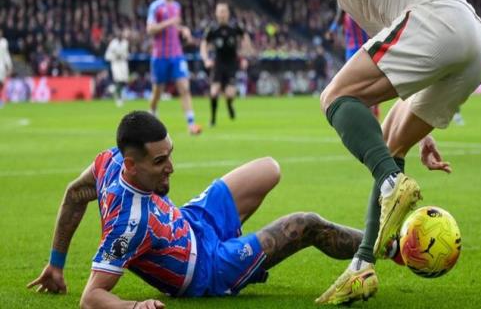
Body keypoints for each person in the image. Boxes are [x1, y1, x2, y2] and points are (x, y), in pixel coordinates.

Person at [273, 0, 481, 304]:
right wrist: (421, 120)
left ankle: (393, 183)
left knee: (334, 97)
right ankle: (362, 267)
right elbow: (397, 49)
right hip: (468, 51)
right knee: (392, 142)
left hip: (439, 15)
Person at [27, 111, 384, 308]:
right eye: (160, 161)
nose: (171, 168)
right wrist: (134, 307)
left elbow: (74, 195)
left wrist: (56, 265)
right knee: (305, 224)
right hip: (207, 268)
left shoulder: (110, 160)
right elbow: (91, 299)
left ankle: (239, 242)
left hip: (192, 220)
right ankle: (389, 245)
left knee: (269, 168)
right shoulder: (129, 225)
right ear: (132, 166)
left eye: (170, 154)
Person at [147, 0, 202, 135]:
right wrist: (169, 22)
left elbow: (174, 26)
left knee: (184, 88)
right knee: (157, 92)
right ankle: (151, 114)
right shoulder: (155, 6)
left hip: (176, 54)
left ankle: (191, 124)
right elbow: (150, 29)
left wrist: (183, 30)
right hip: (159, 55)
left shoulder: (177, 6)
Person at [200, 2, 252, 126]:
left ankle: (229, 105)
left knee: (230, 94)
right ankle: (213, 119)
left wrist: (245, 57)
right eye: (220, 11)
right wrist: (206, 59)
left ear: (228, 13)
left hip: (232, 63)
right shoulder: (212, 28)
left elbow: (245, 38)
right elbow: (203, 44)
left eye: (224, 11)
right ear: (216, 13)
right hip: (218, 63)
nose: (222, 14)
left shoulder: (235, 26)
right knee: (214, 92)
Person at [328, 12, 379, 118]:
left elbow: (333, 32)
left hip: (359, 52)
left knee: (360, 89)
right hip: (363, 51)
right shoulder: (350, 11)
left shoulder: (349, 11)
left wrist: (333, 31)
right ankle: (371, 113)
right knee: (364, 88)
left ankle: (369, 113)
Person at [105, 29, 130, 107]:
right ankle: (118, 98)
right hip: (115, 63)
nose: (119, 36)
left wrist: (123, 56)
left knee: (124, 80)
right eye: (118, 35)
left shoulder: (125, 43)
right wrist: (115, 56)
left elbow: (126, 54)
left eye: (120, 35)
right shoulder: (113, 43)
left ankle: (116, 91)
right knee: (118, 80)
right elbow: (107, 55)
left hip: (123, 63)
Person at [0, 29, 13, 107]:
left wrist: (9, 66)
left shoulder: (4, 42)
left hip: (1, 66)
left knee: (1, 83)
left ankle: (0, 99)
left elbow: (6, 55)